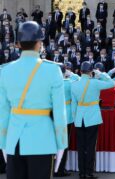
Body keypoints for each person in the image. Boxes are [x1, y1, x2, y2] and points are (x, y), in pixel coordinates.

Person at [0, 21, 68, 179]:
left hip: (14, 141)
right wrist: (62, 144)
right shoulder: (53, 70)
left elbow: (3, 113)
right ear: (39, 43)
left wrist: (3, 143)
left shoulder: (6, 71)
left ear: (18, 44)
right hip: (42, 141)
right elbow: (60, 113)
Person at [71, 61, 115, 179]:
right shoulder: (95, 82)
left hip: (79, 119)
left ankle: (81, 173)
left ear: (80, 71)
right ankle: (89, 172)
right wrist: (101, 74)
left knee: (81, 147)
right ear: (91, 72)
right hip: (92, 118)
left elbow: (73, 105)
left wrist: (75, 118)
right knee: (90, 146)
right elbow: (112, 83)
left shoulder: (74, 84)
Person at [54, 62, 80, 177]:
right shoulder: (70, 82)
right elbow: (80, 79)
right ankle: (60, 169)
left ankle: (53, 168)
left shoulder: (52, 83)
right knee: (64, 144)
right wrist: (72, 73)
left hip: (54, 115)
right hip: (67, 116)